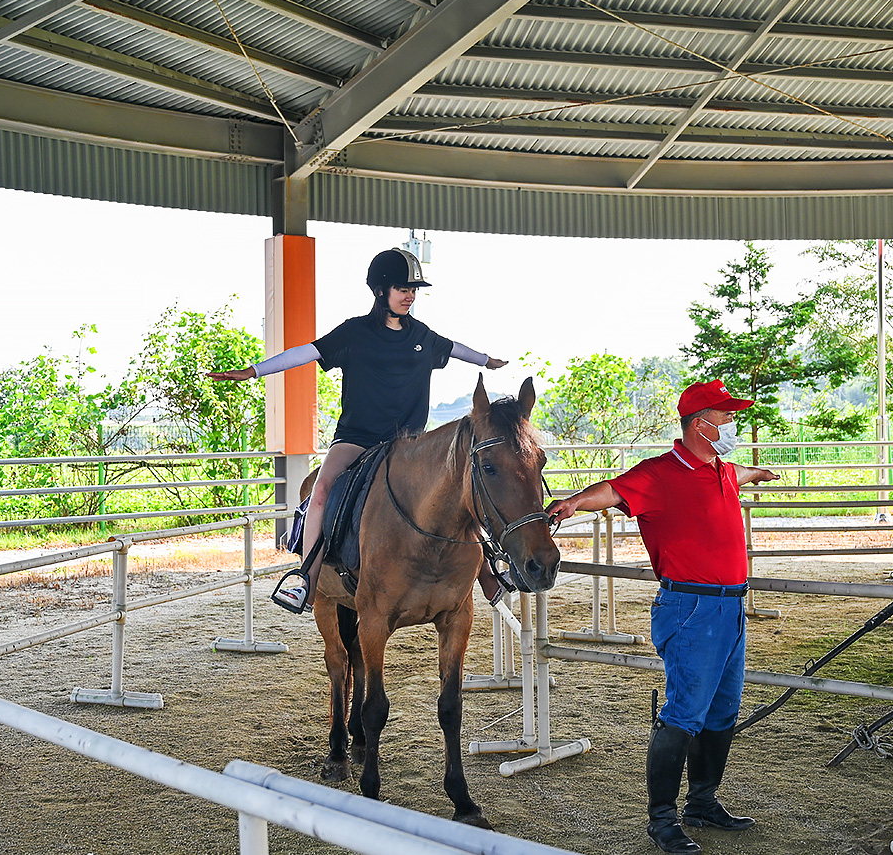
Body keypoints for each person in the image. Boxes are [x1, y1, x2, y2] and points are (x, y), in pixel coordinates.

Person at [546, 379, 780, 854]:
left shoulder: (721, 469)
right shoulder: (658, 473)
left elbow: (740, 472)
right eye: (726, 417)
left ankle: (702, 802)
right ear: (701, 424)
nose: (733, 424)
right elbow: (610, 491)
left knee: (722, 711)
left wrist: (759, 473)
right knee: (683, 714)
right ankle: (662, 819)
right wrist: (571, 504)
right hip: (692, 607)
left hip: (732, 605)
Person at [208, 247, 509, 614]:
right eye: (402, 287)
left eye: (414, 289)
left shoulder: (422, 336)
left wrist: (485, 360)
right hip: (357, 440)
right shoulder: (355, 332)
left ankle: (486, 570)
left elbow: (453, 347)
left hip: (410, 446)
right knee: (319, 492)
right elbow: (304, 352)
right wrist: (254, 371)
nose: (410, 295)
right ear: (381, 291)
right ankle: (307, 579)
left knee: (458, 490)